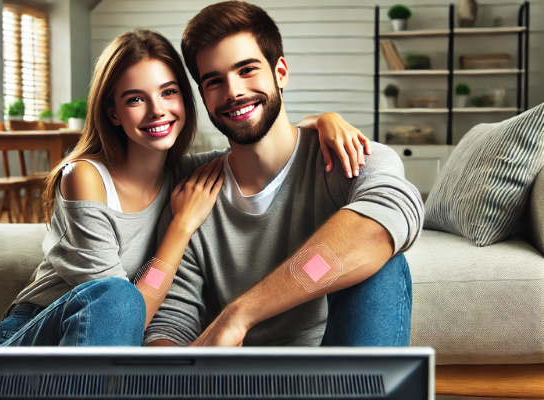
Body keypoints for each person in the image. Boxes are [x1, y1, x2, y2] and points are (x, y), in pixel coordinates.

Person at [0, 28, 371, 347]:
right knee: (118, 298)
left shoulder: (187, 173)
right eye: (135, 99)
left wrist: (323, 120)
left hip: (99, 355)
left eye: (168, 92)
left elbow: (260, 137)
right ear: (112, 111)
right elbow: (127, 317)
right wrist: (180, 228)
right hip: (39, 334)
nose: (157, 111)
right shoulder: (85, 178)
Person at [144, 1, 424, 348]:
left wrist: (241, 313)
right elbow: (169, 325)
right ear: (203, 95)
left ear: (280, 73)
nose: (233, 92)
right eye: (215, 81)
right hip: (234, 379)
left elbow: (389, 218)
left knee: (383, 265)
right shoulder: (193, 192)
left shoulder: (349, 157)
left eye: (247, 70)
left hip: (330, 370)